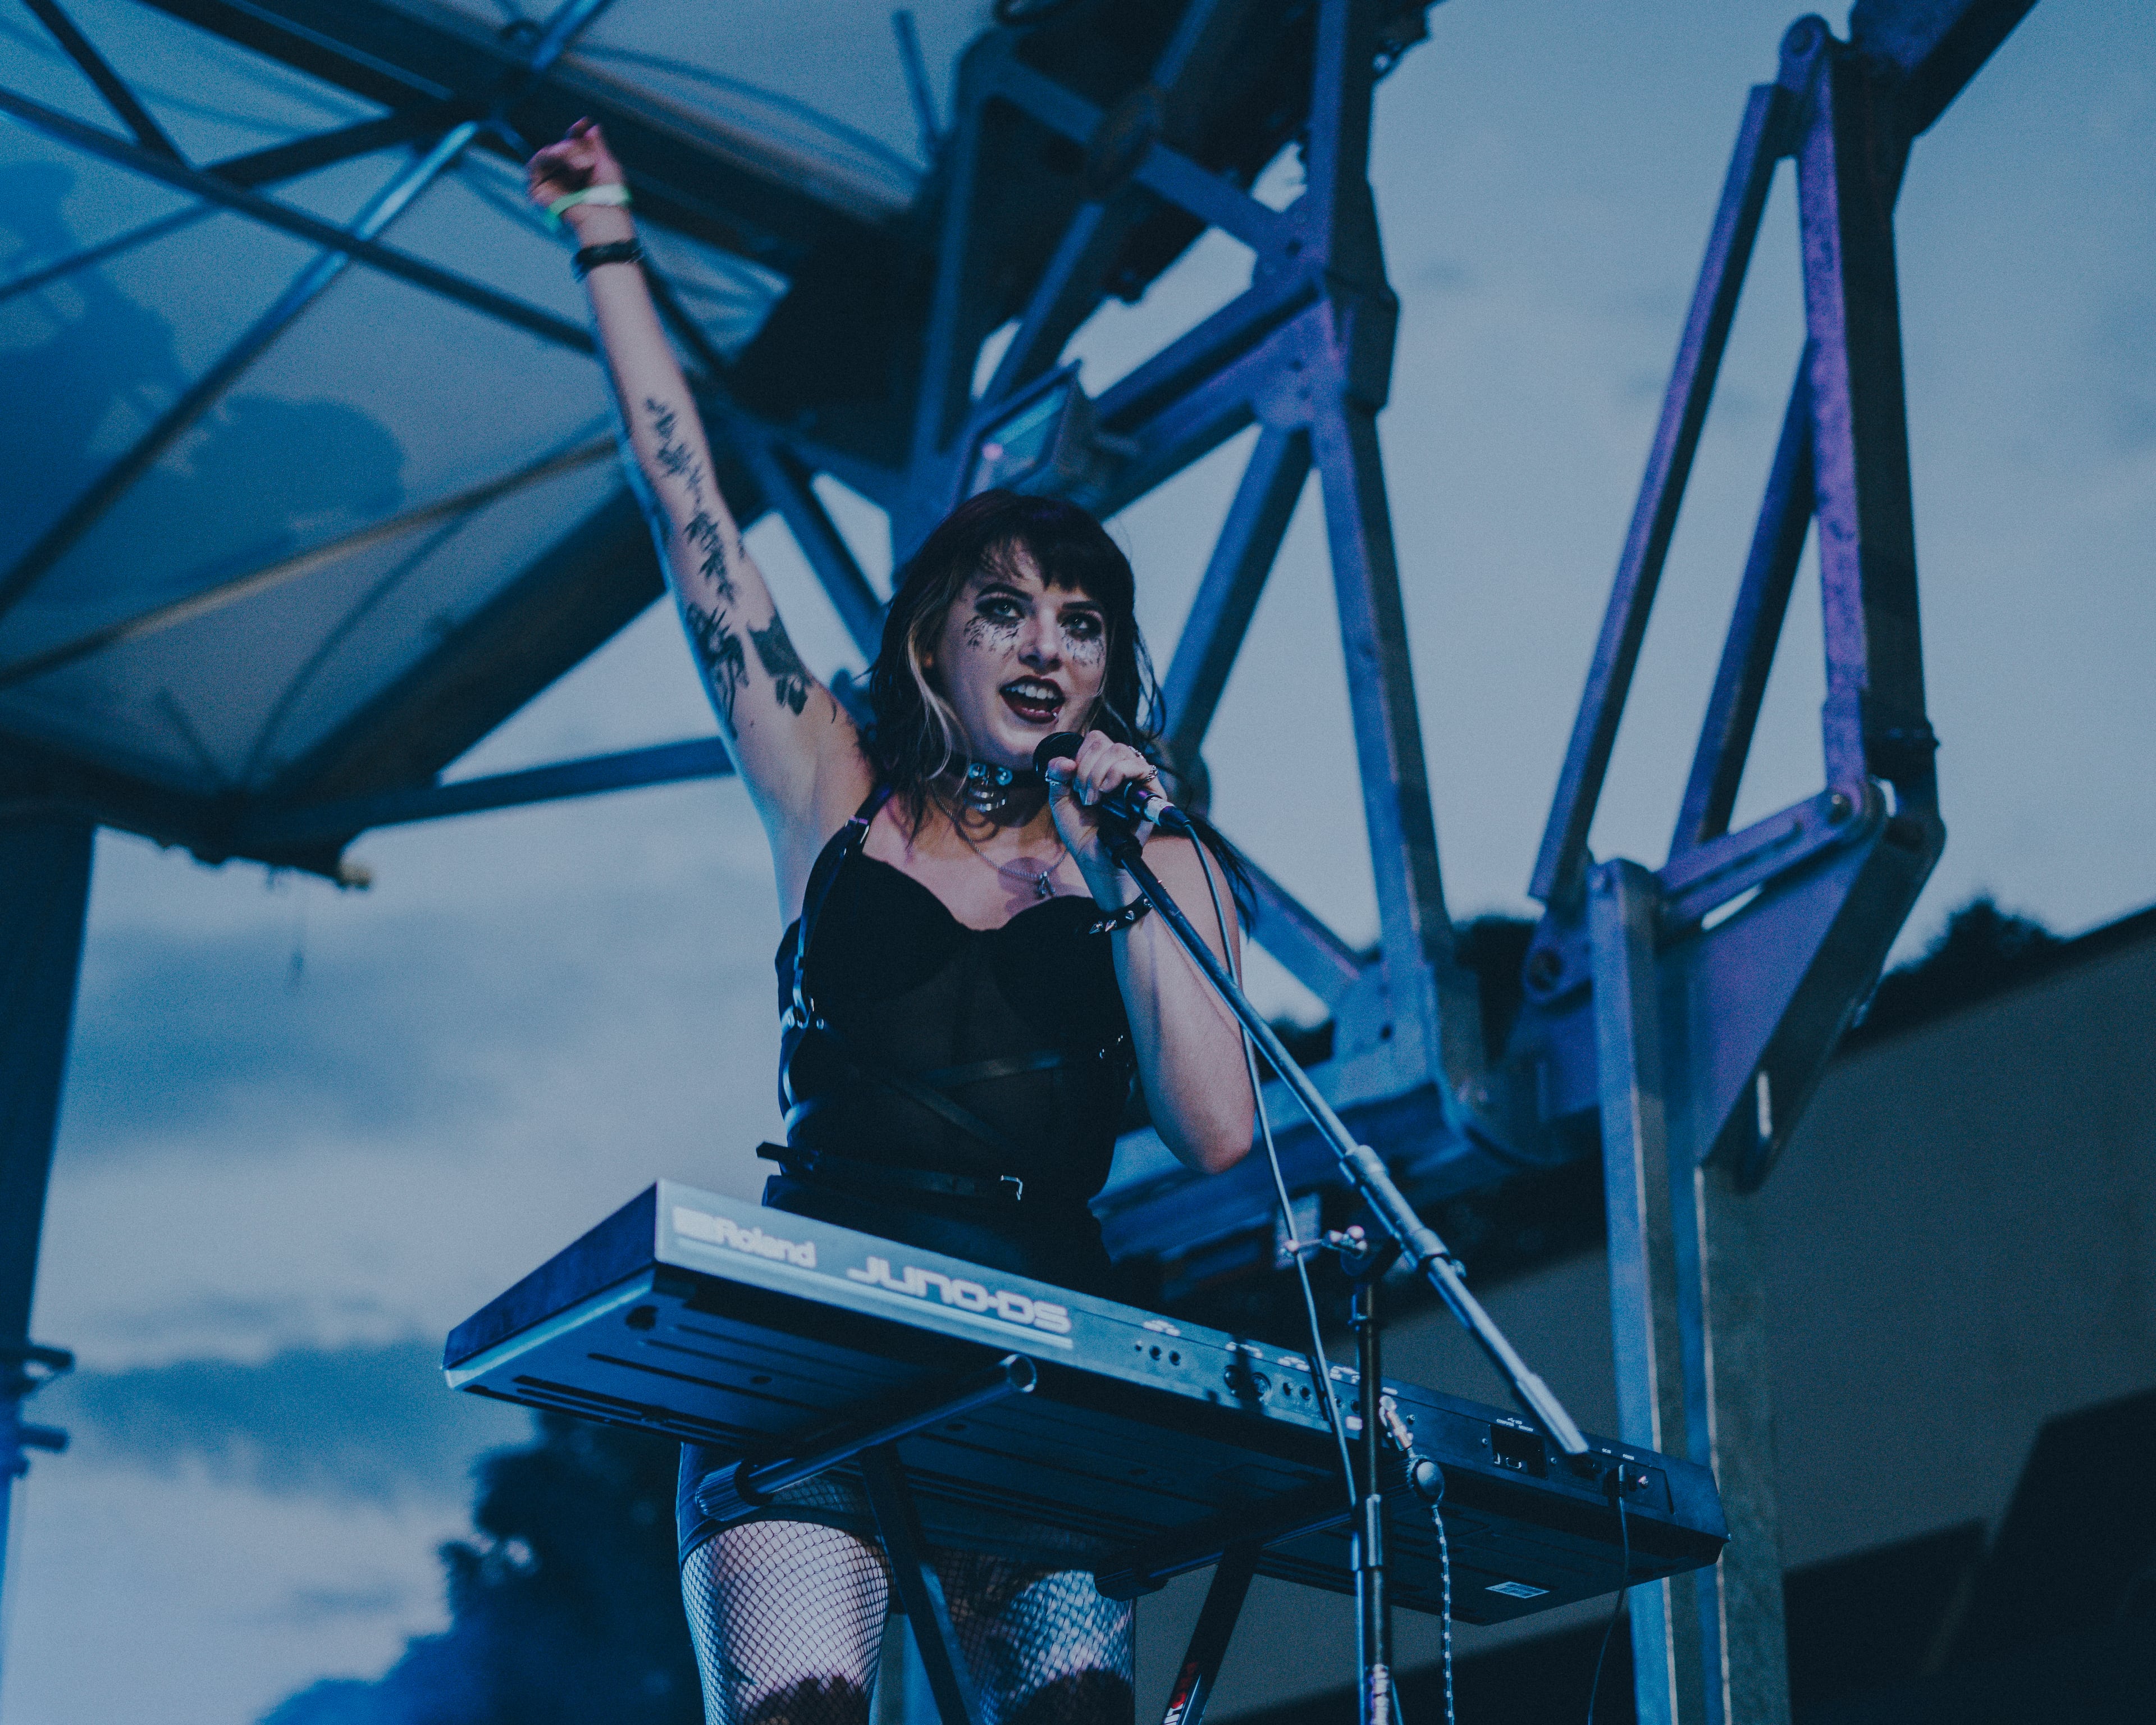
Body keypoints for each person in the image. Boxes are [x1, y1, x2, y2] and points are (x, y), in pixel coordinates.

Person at [528, 121, 1257, 1725]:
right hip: (816, 1348)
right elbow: (688, 510)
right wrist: (605, 244)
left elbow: (1218, 1136)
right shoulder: (831, 783)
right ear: (935, 641)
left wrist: (1126, 856)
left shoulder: (1154, 854)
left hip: (1048, 1360)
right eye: (1006, 607)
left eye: (1082, 623)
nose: (1048, 643)